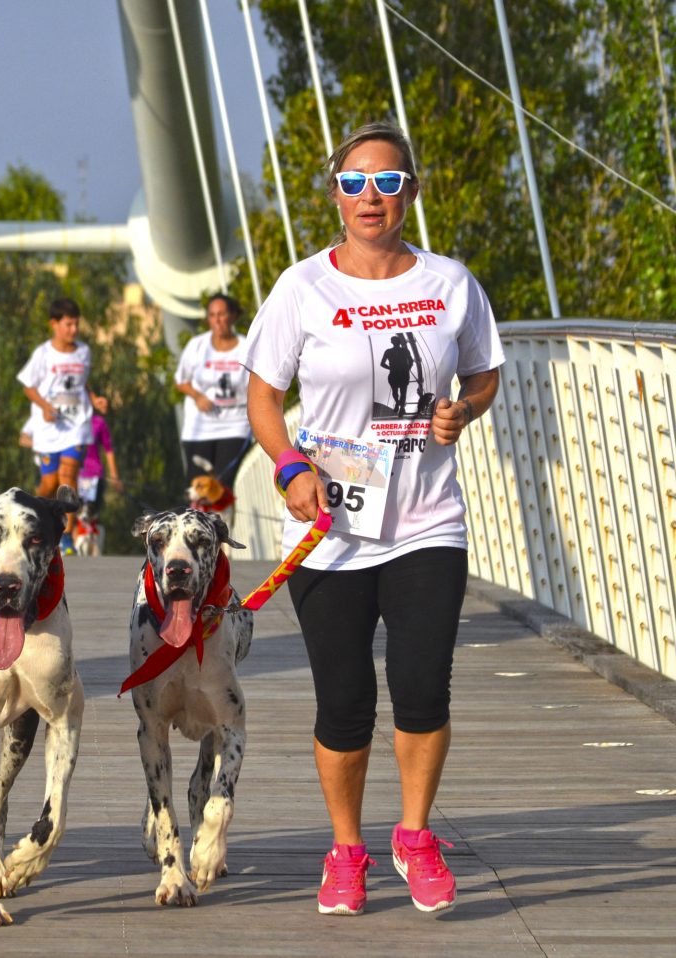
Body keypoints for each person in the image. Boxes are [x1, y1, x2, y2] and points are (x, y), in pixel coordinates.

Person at [244, 121, 502, 917]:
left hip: (427, 520)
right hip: (331, 529)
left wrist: (464, 410)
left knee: (423, 687)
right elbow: (263, 396)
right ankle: (347, 850)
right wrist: (288, 466)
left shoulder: (450, 283)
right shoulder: (302, 288)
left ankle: (415, 836)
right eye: (355, 182)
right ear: (334, 194)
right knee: (345, 701)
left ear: (410, 195)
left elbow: (484, 372)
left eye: (388, 183)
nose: (370, 197)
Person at [17, 297, 108, 554]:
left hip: (76, 424)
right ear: (54, 324)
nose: (73, 330)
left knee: (68, 477)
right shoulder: (43, 353)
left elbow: (83, 383)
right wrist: (45, 407)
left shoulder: (84, 352)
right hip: (48, 429)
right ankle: (37, 524)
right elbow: (28, 386)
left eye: (76, 324)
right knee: (48, 484)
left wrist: (94, 399)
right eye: (68, 324)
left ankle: (66, 534)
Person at [175, 293, 254, 482]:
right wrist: (197, 396)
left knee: (223, 485)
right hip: (200, 427)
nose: (217, 320)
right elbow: (180, 381)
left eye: (222, 314)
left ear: (233, 316)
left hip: (235, 425)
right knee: (197, 488)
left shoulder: (246, 348)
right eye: (212, 315)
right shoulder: (197, 346)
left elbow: (257, 388)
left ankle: (225, 512)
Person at [77, 410, 123, 526]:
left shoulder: (98, 422)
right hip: (73, 477)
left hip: (95, 477)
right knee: (74, 518)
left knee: (91, 517)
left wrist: (114, 476)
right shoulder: (67, 422)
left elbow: (109, 449)